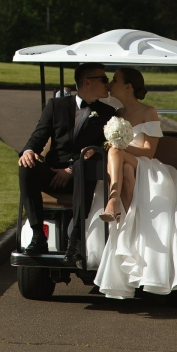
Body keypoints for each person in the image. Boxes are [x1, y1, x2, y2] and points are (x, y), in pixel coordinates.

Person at [94, 67, 177, 299]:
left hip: (148, 167)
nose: (111, 83)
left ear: (128, 86)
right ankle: (122, 212)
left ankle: (114, 200)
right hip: (126, 169)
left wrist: (117, 145)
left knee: (118, 155)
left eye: (115, 80)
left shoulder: (148, 111)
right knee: (125, 170)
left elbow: (148, 153)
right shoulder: (116, 113)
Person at [18, 61, 116, 263]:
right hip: (53, 171)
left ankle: (76, 240)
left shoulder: (108, 114)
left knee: (84, 163)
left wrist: (70, 169)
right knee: (26, 167)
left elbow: (104, 150)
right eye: (104, 79)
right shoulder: (56, 105)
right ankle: (38, 236)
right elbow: (38, 136)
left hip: (83, 175)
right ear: (87, 82)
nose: (108, 84)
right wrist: (28, 151)